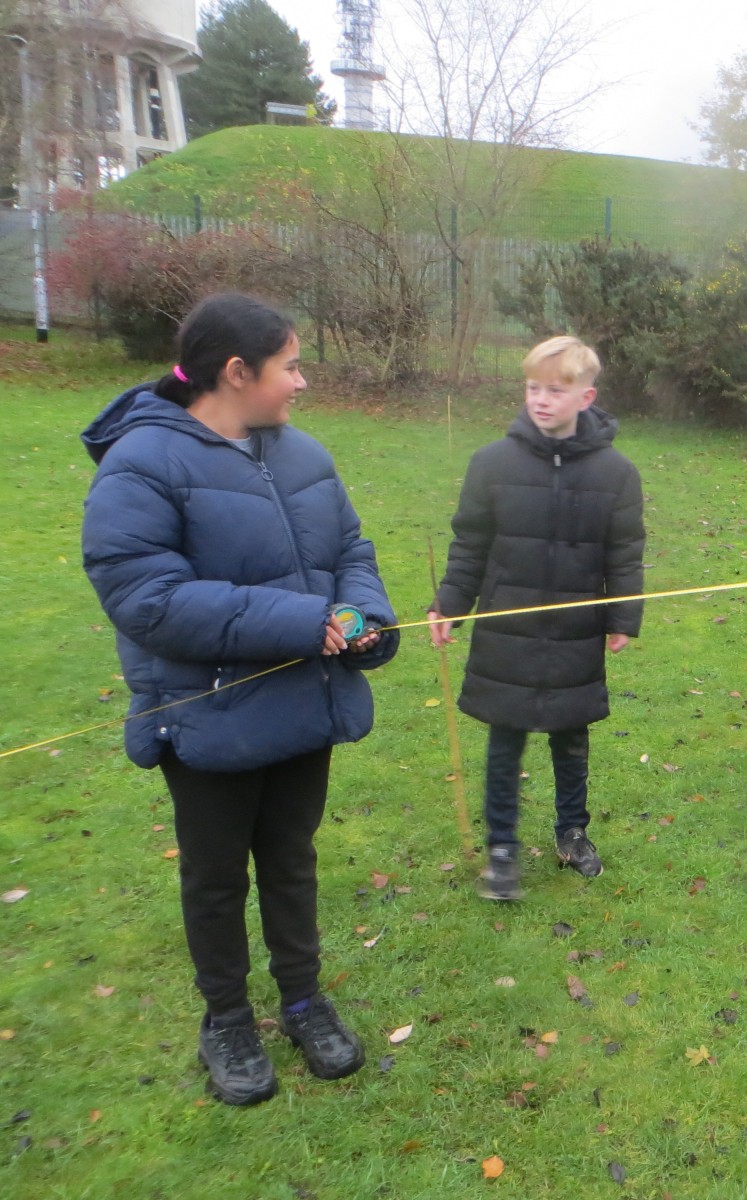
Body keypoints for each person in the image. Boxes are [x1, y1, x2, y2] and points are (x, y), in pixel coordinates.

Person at [81, 292, 399, 1106]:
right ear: (236, 371)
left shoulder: (302, 454)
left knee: (291, 859)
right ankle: (226, 1018)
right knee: (217, 875)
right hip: (206, 716)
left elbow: (351, 550)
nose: (301, 381)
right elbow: (147, 598)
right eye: (290, 365)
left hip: (303, 704)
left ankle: (303, 1000)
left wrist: (363, 620)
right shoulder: (142, 463)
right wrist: (303, 622)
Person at [428, 336, 645, 898]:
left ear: (586, 397)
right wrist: (450, 604)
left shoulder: (616, 473)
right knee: (506, 740)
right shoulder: (491, 464)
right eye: (533, 388)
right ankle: (502, 848)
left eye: (555, 390)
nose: (541, 400)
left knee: (571, 736)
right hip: (508, 627)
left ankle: (572, 832)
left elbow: (624, 551)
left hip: (575, 631)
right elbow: (469, 544)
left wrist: (622, 616)